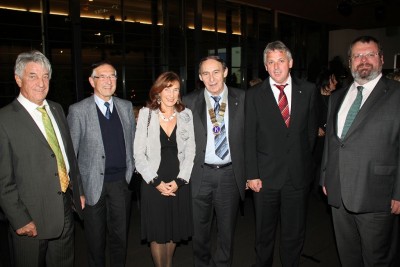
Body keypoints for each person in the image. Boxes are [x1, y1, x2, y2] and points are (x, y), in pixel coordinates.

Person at [320, 35, 400, 266]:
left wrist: (399, 192)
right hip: (339, 191)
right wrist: (326, 174)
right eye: (357, 56)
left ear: (381, 59)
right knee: (348, 257)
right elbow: (332, 142)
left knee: (376, 259)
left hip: (377, 193)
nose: (363, 60)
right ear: (350, 62)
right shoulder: (337, 97)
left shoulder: (395, 94)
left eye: (370, 54)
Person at [0, 50, 84, 267]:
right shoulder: (4, 119)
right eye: (33, 76)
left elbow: (68, 157)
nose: (41, 82)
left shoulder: (56, 109)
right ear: (18, 79)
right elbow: (3, 179)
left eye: (46, 76)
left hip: (64, 211)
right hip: (31, 219)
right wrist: (20, 219)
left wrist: (77, 192)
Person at [245, 41, 317, 267]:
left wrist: (303, 164)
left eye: (281, 61)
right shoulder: (254, 95)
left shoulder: (309, 91)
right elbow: (248, 137)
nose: (276, 67)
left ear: (291, 62)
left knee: (293, 235)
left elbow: (311, 135)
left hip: (297, 177)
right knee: (264, 236)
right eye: (271, 62)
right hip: (264, 179)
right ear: (265, 67)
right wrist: (252, 174)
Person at [67, 60, 135, 267]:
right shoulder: (78, 110)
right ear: (91, 81)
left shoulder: (126, 107)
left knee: (120, 240)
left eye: (112, 76)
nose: (108, 81)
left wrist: (130, 177)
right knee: (95, 242)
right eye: (102, 76)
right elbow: (71, 155)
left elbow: (131, 142)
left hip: (120, 185)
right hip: (91, 187)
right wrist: (77, 190)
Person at [183, 55, 246, 266]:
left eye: (216, 72)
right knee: (199, 233)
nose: (212, 78)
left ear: (225, 72)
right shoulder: (189, 102)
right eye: (206, 74)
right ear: (200, 77)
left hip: (230, 174)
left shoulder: (243, 99)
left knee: (226, 233)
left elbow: (253, 138)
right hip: (200, 174)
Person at [134, 71, 195, 267]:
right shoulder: (146, 115)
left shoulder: (186, 115)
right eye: (167, 89)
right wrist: (155, 182)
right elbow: (138, 155)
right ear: (158, 91)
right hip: (154, 183)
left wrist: (179, 181)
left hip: (178, 183)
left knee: (172, 233)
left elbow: (191, 152)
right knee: (158, 233)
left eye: (176, 89)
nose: (171, 94)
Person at [312, 69, 337, 197]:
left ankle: (320, 191)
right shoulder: (313, 95)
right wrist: (315, 127)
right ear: (327, 81)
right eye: (333, 79)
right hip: (315, 140)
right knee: (313, 165)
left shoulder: (337, 97)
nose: (336, 82)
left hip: (330, 138)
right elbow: (305, 115)